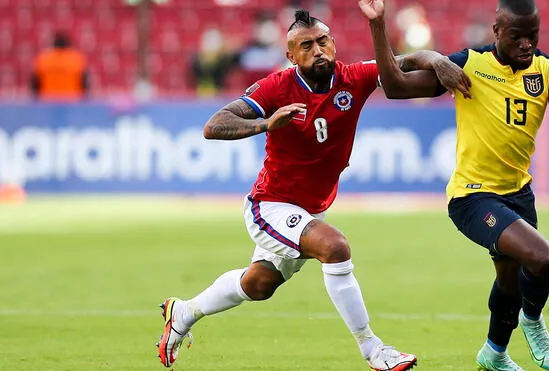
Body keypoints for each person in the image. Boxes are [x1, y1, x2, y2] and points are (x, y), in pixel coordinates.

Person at [156, 9, 468, 371]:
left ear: (333, 43)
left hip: (309, 209)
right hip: (270, 206)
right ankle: (374, 349)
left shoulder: (353, 77)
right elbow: (214, 125)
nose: (317, 50)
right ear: (291, 56)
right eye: (306, 45)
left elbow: (407, 60)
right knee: (335, 248)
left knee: (258, 285)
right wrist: (265, 123)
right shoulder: (276, 86)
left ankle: (184, 312)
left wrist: (438, 60)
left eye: (323, 41)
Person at [357, 0, 549, 370]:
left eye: (533, 36)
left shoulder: (545, 70)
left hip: (518, 193)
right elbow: (396, 85)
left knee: (510, 281)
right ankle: (531, 320)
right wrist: (392, 33)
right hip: (473, 196)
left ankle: (493, 355)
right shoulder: (470, 64)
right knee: (542, 258)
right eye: (517, 37)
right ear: (496, 32)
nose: (527, 44)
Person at [31, 32, 89, 100]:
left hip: (48, 101)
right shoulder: (77, 59)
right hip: (71, 101)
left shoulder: (42, 59)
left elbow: (35, 85)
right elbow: (84, 84)